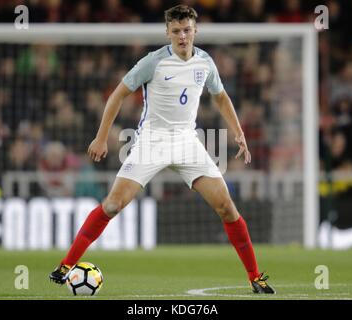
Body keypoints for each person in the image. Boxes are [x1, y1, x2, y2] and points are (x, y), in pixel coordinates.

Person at [49, 4, 275, 294]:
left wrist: (238, 132)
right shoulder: (153, 62)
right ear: (168, 32)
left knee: (226, 207)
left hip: (186, 142)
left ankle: (255, 277)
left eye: (187, 30)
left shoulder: (205, 62)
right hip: (151, 141)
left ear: (196, 30)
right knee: (113, 205)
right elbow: (118, 95)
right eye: (177, 31)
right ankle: (67, 265)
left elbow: (220, 97)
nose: (183, 36)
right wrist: (101, 137)